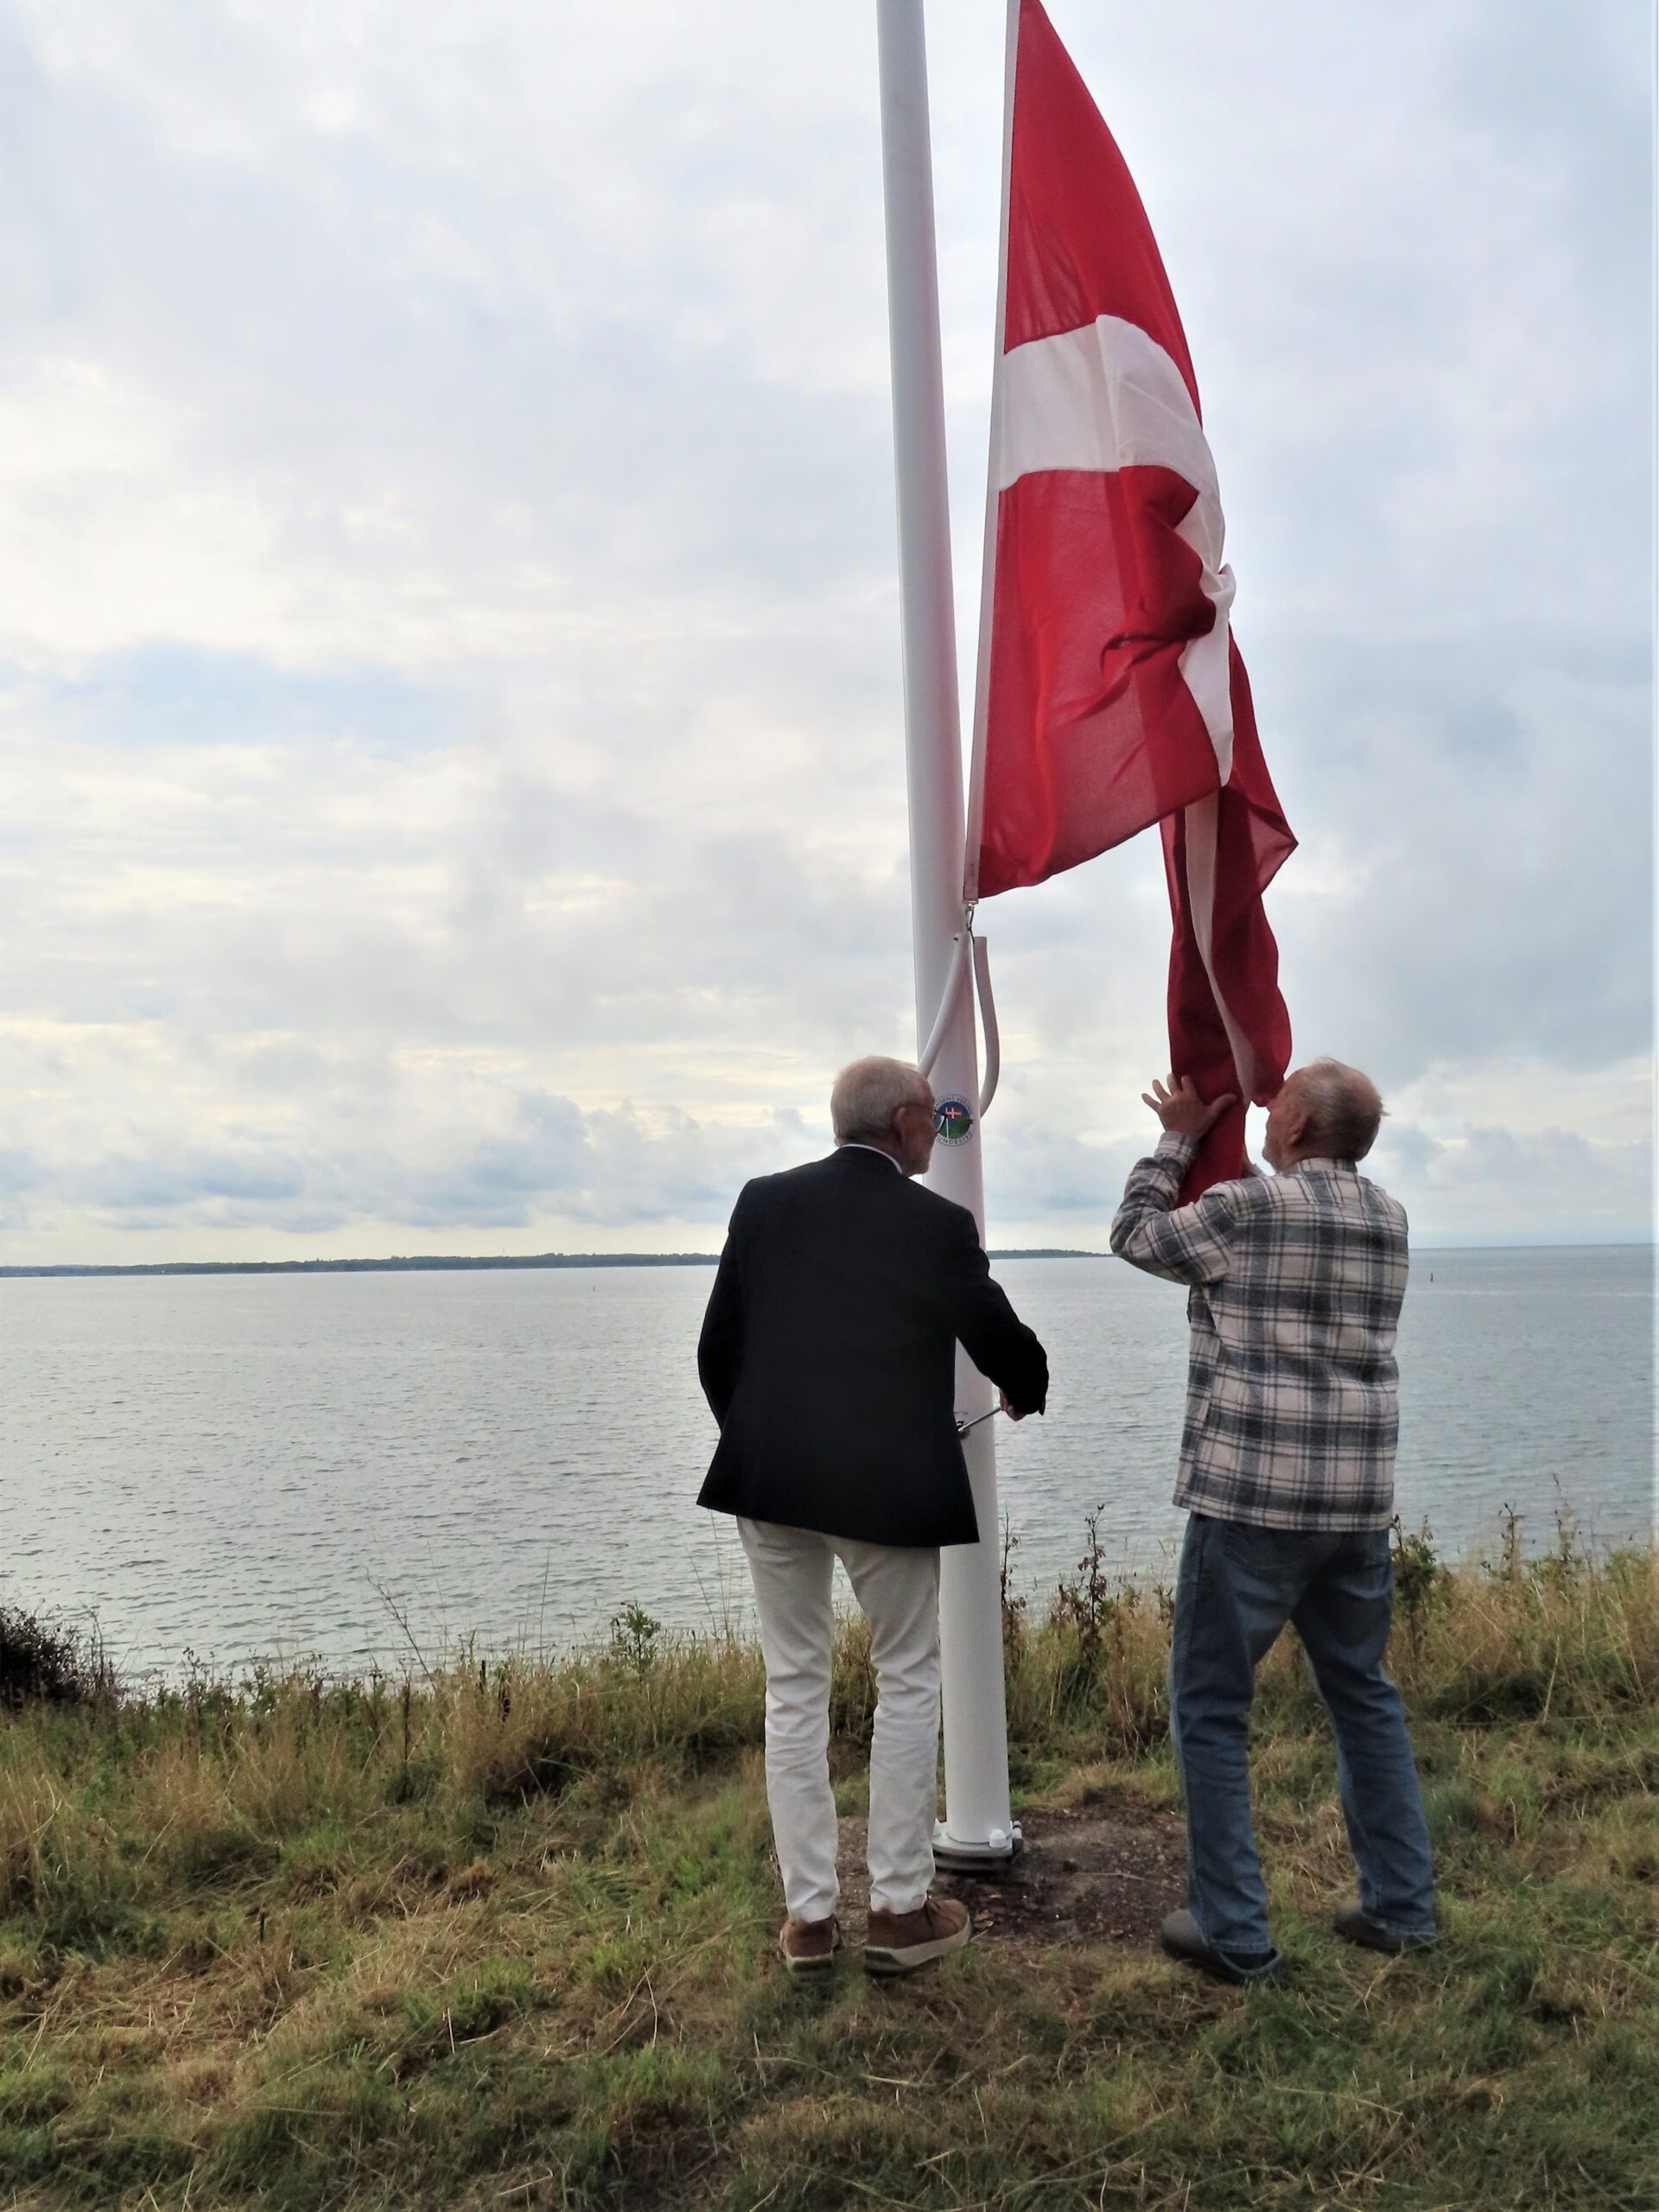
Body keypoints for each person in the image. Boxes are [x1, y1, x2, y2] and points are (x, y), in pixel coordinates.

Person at [698, 1055, 1049, 1978]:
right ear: (901, 1120)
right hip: (887, 1490)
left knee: (794, 1686)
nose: (938, 1130)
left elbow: (716, 1349)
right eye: (931, 1118)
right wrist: (1028, 1385)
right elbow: (997, 1333)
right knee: (907, 1677)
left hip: (768, 1481)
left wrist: (763, 1436)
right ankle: (898, 1908)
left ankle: (809, 1922)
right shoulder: (935, 1224)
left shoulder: (762, 1203)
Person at [1110, 1060, 1436, 1984]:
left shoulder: (1249, 1214)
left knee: (1211, 1708)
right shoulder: (1390, 1218)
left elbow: (1135, 1235)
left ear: (1293, 1127)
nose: (1261, 1107)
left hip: (1252, 1497)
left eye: (1274, 1101)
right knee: (1362, 1695)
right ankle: (1401, 1908)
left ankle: (1234, 1931)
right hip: (1355, 1501)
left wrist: (1178, 1138)